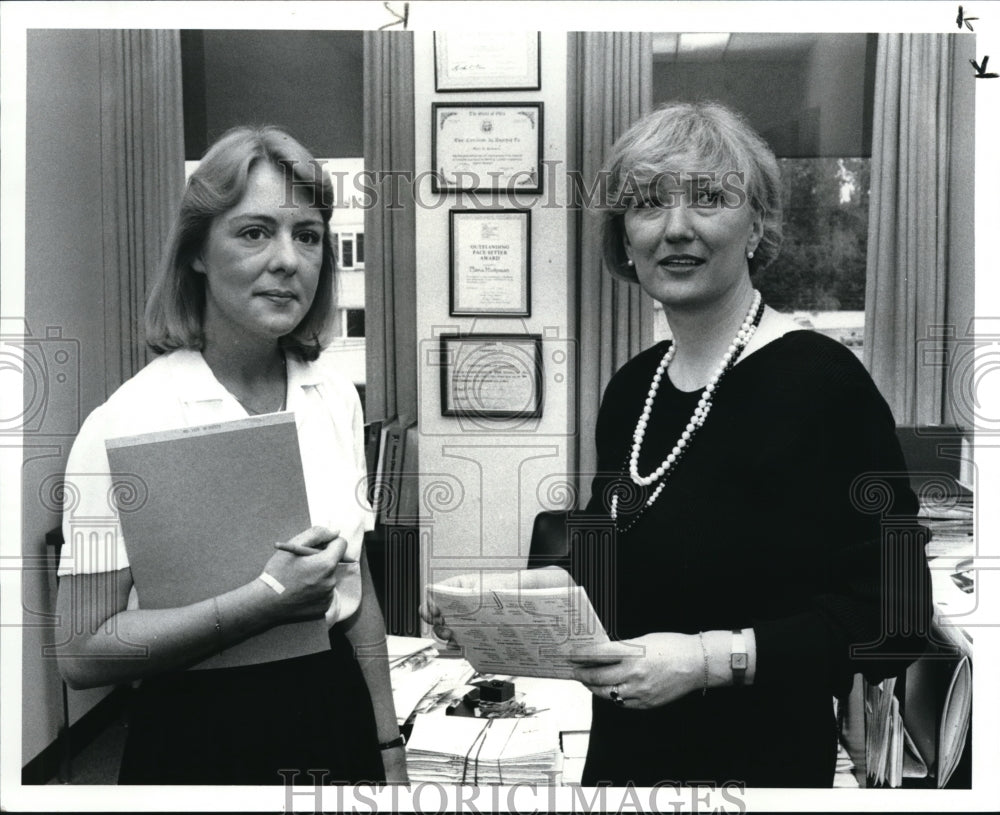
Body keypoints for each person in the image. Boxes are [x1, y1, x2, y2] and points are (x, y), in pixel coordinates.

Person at [422, 101, 931, 787]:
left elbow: (896, 614)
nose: (676, 228)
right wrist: (495, 602)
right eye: (647, 204)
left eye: (710, 199)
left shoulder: (824, 383)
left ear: (757, 226)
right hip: (625, 755)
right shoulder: (634, 388)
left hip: (759, 767)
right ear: (624, 238)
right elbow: (619, 575)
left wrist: (705, 659)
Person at [55, 126, 407, 785]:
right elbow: (80, 650)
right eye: (254, 232)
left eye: (307, 235)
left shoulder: (333, 397)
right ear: (196, 252)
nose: (288, 261)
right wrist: (264, 599)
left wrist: (389, 745)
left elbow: (357, 596)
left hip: (334, 714)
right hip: (198, 734)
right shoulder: (128, 419)